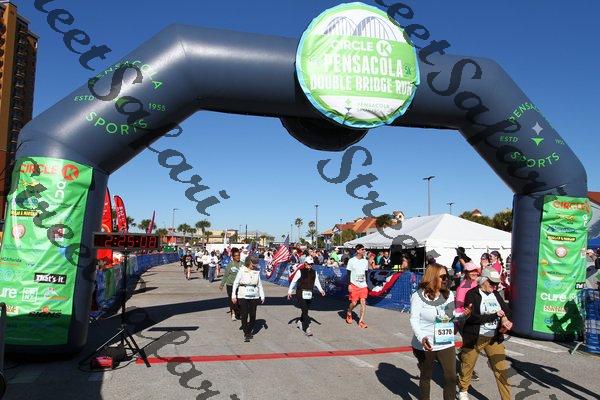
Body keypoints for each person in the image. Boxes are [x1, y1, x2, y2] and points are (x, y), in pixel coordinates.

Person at [457, 268, 512, 400]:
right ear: (483, 281)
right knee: (467, 365)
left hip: (493, 338)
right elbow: (472, 318)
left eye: (496, 284)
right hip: (475, 336)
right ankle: (463, 390)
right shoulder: (472, 294)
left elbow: (506, 311)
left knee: (501, 369)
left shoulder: (496, 294)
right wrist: (494, 315)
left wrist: (505, 320)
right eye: (492, 283)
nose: (495, 286)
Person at [410, 263, 460, 400]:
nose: (446, 279)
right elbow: (414, 319)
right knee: (426, 376)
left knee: (451, 377)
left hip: (445, 341)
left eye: (447, 276)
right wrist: (422, 337)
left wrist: (463, 314)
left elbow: (450, 315)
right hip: (425, 343)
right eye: (443, 276)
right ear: (432, 277)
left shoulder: (449, 295)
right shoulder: (418, 296)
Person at [454, 262, 481, 382]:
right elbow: (458, 307)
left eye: (475, 270)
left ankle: (462, 357)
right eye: (471, 271)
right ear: (466, 273)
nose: (474, 273)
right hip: (465, 320)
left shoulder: (477, 283)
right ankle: (467, 371)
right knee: (470, 347)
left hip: (476, 319)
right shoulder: (463, 287)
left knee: (473, 346)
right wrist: (460, 321)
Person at [287, 256, 325, 336]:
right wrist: (290, 291)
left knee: (306, 309)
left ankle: (300, 321)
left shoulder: (314, 272)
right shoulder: (300, 271)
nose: (310, 265)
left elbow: (317, 282)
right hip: (300, 293)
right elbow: (294, 281)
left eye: (311, 264)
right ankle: (307, 328)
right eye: (309, 264)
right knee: (304, 309)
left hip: (309, 293)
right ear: (305, 263)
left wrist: (321, 290)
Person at [232, 256, 265, 342]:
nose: (254, 266)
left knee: (253, 315)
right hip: (243, 295)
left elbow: (260, 284)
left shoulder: (256, 271)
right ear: (248, 262)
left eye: (255, 264)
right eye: (252, 264)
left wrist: (262, 295)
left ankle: (249, 330)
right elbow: (236, 283)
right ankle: (246, 333)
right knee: (244, 314)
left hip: (254, 295)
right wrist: (233, 295)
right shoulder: (242, 270)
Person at [345, 244, 370, 329]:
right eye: (362, 249)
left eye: (364, 249)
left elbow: (366, 273)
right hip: (354, 285)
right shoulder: (351, 260)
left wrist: (366, 283)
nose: (364, 251)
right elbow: (348, 273)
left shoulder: (365, 261)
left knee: (363, 302)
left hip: (363, 286)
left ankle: (361, 321)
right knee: (354, 303)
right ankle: (349, 312)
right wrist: (349, 284)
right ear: (358, 250)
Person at [220, 247, 242, 320]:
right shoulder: (230, 264)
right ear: (233, 257)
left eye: (239, 255)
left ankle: (238, 312)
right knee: (231, 300)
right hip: (230, 285)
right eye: (236, 255)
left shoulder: (242, 264)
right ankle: (233, 313)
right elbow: (226, 275)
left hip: (239, 285)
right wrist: (222, 284)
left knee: (238, 300)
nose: (238, 257)